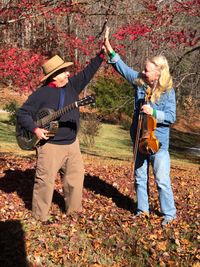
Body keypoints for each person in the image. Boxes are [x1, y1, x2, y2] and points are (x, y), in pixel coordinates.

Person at [17, 49, 105, 224]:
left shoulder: (72, 86)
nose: (68, 73)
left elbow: (88, 72)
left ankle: (73, 211)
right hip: (50, 145)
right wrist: (36, 130)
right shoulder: (41, 94)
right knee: (45, 181)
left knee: (76, 177)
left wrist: (102, 54)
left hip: (72, 143)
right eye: (64, 71)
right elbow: (22, 114)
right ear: (54, 76)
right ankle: (40, 216)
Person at [103, 27, 176, 226]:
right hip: (138, 140)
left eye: (146, 70)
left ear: (158, 72)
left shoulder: (168, 91)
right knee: (139, 177)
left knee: (161, 180)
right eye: (143, 69)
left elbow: (171, 117)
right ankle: (142, 210)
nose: (142, 72)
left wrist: (153, 113)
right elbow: (124, 69)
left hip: (158, 143)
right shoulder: (141, 83)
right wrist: (110, 49)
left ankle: (169, 214)